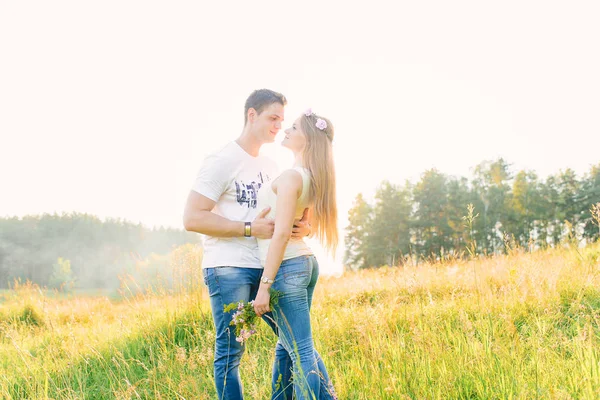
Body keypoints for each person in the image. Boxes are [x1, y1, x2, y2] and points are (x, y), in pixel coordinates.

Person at [183, 89, 310, 400]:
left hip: (268, 267)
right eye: (272, 118)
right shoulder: (221, 160)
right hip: (229, 268)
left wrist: (304, 226)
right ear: (251, 115)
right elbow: (192, 218)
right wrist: (250, 228)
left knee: (291, 342)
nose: (279, 125)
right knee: (231, 354)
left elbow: (285, 211)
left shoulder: (270, 165)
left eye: (282, 120)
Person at [253, 108, 338, 399]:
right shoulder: (313, 177)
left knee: (301, 350)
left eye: (294, 128)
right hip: (302, 263)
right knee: (287, 347)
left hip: (288, 267)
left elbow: (280, 234)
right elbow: (304, 224)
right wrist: (307, 228)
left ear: (308, 140)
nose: (286, 130)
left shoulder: (291, 177)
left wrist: (264, 286)